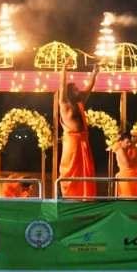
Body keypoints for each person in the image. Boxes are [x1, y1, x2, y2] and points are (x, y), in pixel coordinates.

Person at [58, 65, 99, 198]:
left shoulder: (79, 103)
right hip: (72, 143)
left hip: (83, 142)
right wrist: (64, 70)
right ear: (70, 92)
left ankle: (85, 195)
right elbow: (62, 87)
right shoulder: (65, 105)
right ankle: (70, 195)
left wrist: (94, 74)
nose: (78, 90)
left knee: (85, 170)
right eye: (75, 89)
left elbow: (89, 88)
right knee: (71, 169)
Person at [109, 132, 137, 198]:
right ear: (121, 142)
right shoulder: (120, 150)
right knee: (128, 197)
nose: (129, 144)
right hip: (126, 176)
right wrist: (136, 159)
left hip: (133, 176)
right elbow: (127, 164)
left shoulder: (128, 148)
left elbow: (135, 139)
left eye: (130, 142)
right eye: (127, 142)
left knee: (135, 198)